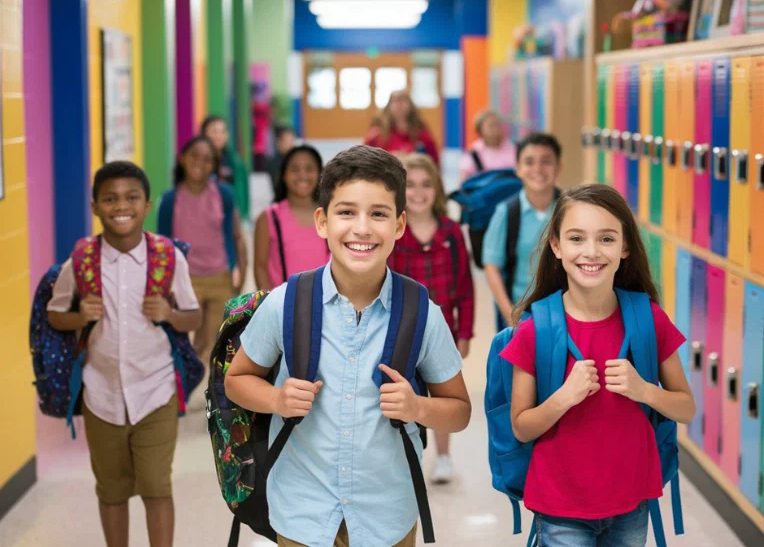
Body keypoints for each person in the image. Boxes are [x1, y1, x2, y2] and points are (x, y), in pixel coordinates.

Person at [223, 145, 472, 547]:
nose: (362, 228)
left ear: (399, 225)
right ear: (322, 221)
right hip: (303, 513)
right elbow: (237, 380)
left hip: (387, 517)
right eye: (346, 212)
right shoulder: (286, 303)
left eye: (378, 214)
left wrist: (418, 408)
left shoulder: (422, 313)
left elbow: (459, 411)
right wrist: (277, 399)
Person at [501, 184, 695, 546]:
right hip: (560, 506)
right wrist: (564, 397)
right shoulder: (536, 329)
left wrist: (644, 390)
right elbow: (522, 428)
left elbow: (686, 407)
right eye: (576, 238)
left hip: (632, 500)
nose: (591, 251)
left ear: (624, 247)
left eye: (606, 239)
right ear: (556, 246)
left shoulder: (648, 319)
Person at [47, 161, 202, 547]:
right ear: (95, 206)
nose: (121, 206)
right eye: (110, 199)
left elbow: (194, 315)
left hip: (156, 391)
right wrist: (79, 316)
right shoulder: (81, 260)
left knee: (156, 486)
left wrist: (169, 313)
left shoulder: (168, 257)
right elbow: (54, 313)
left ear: (146, 205)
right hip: (101, 395)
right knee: (112, 490)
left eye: (131, 198)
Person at [389, 153, 474, 484]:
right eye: (410, 185)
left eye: (426, 184)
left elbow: (465, 287)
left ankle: (443, 455)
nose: (418, 192)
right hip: (403, 329)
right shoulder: (394, 231)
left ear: (437, 188)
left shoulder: (451, 232)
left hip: (444, 330)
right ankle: (406, 453)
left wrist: (464, 332)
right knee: (405, 392)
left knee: (443, 393)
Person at [157, 135, 247, 366]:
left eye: (207, 159)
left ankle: (206, 387)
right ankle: (187, 384)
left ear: (214, 165)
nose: (200, 162)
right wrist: (164, 286)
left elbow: (237, 237)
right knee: (186, 346)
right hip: (185, 281)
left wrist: (240, 276)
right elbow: (163, 248)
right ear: (182, 158)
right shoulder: (170, 200)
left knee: (214, 347)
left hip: (219, 278)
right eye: (194, 156)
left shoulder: (224, 195)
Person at [482, 133, 562, 329]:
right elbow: (492, 266)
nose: (538, 169)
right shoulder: (507, 212)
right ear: (518, 168)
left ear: (558, 167)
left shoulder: (569, 210)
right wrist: (510, 315)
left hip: (563, 314)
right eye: (529, 162)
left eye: (546, 161)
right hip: (521, 314)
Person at [254, 144, 328, 290]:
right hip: (283, 302)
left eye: (309, 169)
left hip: (325, 300)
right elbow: (260, 267)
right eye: (295, 169)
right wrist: (269, 300)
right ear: (284, 175)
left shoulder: (329, 216)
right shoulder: (269, 217)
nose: (302, 175)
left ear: (320, 174)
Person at [364, 90, 440, 165]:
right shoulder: (378, 133)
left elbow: (434, 161)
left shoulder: (421, 132)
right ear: (389, 105)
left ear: (410, 105)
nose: (399, 104)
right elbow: (365, 160)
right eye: (395, 100)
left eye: (403, 100)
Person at [459, 110, 516, 181]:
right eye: (491, 126)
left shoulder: (514, 148)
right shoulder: (473, 153)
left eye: (498, 125)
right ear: (480, 131)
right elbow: (464, 181)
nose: (496, 129)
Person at [200, 115, 248, 187]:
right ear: (204, 133)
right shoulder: (198, 161)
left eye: (223, 131)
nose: (219, 136)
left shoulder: (237, 163)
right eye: (214, 131)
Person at [268, 125, 297, 190]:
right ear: (279, 142)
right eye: (287, 141)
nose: (291, 145)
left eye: (292, 141)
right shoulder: (274, 163)